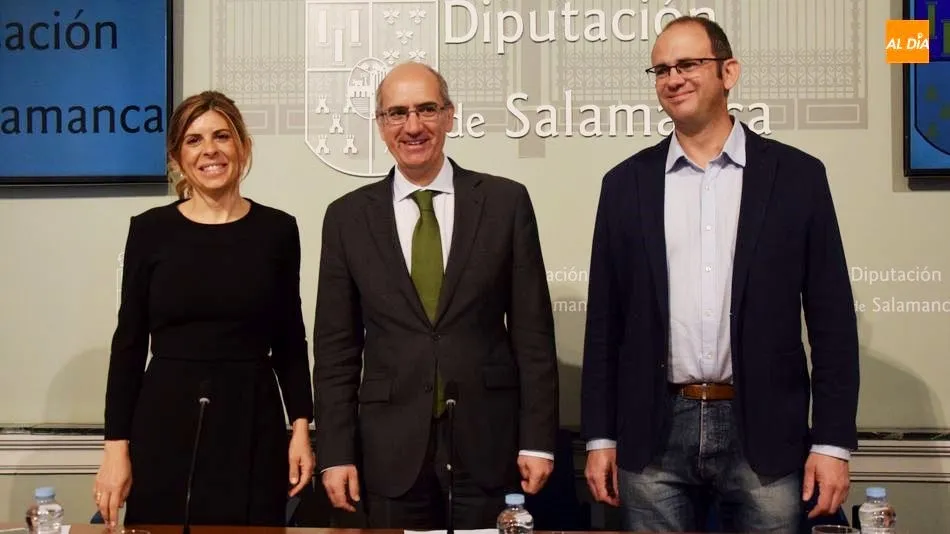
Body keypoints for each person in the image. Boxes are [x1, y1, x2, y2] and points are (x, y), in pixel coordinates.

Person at [580, 16, 859, 534]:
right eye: (661, 69)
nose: (673, 78)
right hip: (653, 432)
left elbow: (833, 321)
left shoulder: (797, 177)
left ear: (728, 72)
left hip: (765, 434)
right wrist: (599, 439)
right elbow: (605, 327)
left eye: (688, 64)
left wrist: (832, 441)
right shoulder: (624, 185)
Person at [312, 61, 559, 530]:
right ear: (381, 124)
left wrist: (538, 440)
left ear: (449, 115)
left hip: (488, 445)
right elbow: (336, 349)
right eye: (397, 113)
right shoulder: (346, 218)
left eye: (427, 110)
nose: (413, 126)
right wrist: (336, 453)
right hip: (387, 451)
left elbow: (532, 334)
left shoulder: (505, 203)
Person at [94, 91, 315, 528]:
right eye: (194, 140)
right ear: (178, 155)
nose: (209, 150)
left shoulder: (278, 230)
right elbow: (130, 343)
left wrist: (301, 429)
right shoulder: (150, 230)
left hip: (252, 419)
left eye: (221, 136)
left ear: (243, 146)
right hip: (164, 419)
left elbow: (291, 339)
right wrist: (115, 448)